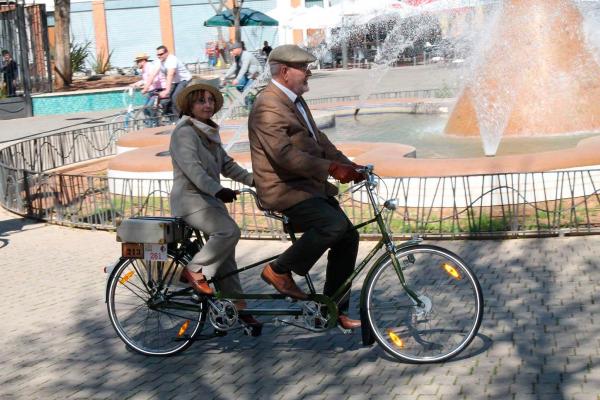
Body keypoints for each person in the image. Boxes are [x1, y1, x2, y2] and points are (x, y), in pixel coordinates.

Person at [248, 45, 365, 330]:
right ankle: (278, 270)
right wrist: (330, 169)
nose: (309, 72)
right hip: (283, 190)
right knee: (333, 225)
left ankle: (334, 309)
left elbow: (319, 142)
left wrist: (351, 166)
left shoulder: (295, 100)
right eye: (304, 68)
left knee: (347, 236)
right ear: (285, 72)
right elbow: (283, 154)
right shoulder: (268, 105)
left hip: (305, 187)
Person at [169, 78, 261, 330]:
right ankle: (195, 271)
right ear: (190, 104)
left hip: (207, 200)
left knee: (225, 257)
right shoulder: (184, 132)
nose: (208, 105)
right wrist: (218, 190)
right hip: (189, 199)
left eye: (210, 101)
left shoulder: (207, 131)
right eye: (201, 101)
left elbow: (227, 164)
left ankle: (237, 308)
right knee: (228, 232)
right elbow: (193, 170)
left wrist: (256, 180)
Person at [143, 45, 191, 116]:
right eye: (157, 55)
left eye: (161, 54)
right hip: (174, 82)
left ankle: (183, 116)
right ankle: (170, 115)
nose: (159, 56)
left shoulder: (172, 59)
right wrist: (146, 88)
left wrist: (167, 90)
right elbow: (152, 75)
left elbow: (170, 75)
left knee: (175, 96)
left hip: (184, 80)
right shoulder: (159, 62)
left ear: (167, 53)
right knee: (165, 100)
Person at [130, 52, 166, 126]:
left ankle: (158, 124)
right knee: (145, 109)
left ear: (143, 61)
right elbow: (145, 80)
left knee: (149, 107)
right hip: (152, 91)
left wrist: (146, 87)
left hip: (158, 89)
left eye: (138, 62)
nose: (137, 63)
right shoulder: (144, 70)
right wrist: (135, 84)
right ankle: (151, 125)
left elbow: (154, 79)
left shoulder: (149, 66)